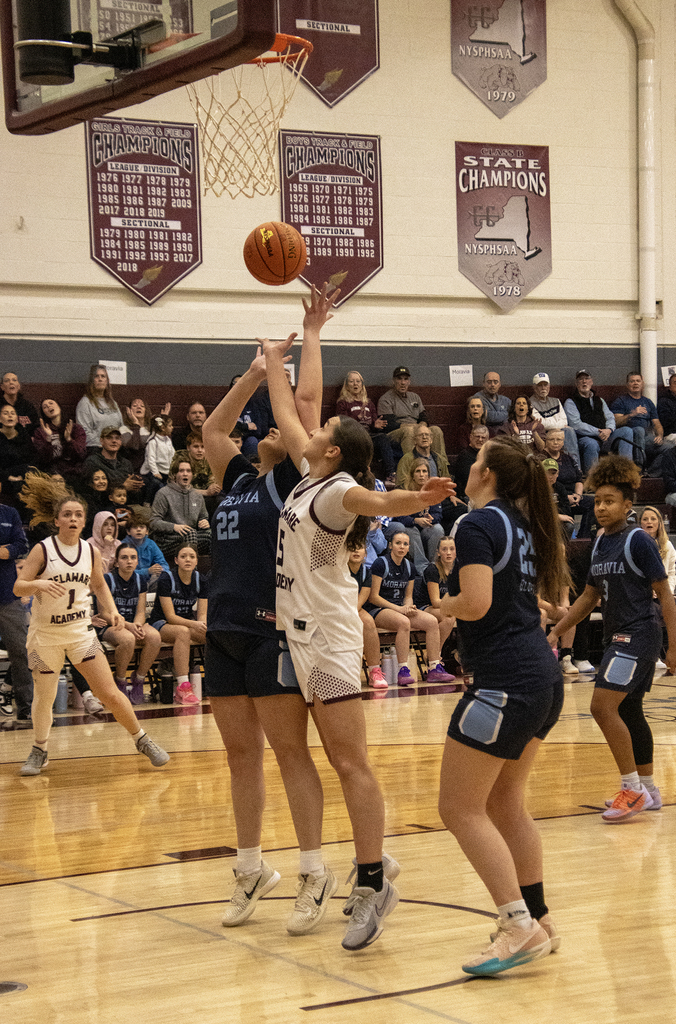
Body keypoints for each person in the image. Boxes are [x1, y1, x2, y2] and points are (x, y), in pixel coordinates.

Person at [262, 328, 455, 950]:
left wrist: (414, 499)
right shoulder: (307, 477)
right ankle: (364, 866)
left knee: (350, 763)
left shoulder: (341, 489)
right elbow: (291, 408)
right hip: (297, 633)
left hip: (331, 638)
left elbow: (378, 498)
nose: (308, 428)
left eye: (322, 431)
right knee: (319, 759)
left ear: (335, 452)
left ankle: (373, 882)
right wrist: (285, 353)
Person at [202, 284, 361, 937]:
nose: (274, 429)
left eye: (285, 430)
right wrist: (252, 368)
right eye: (266, 428)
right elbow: (213, 428)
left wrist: (301, 345)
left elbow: (303, 404)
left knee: (290, 753)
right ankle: (248, 868)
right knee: (241, 755)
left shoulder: (295, 481)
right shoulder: (238, 477)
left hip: (274, 632)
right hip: (224, 631)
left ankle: (312, 869)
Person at [436, 436, 569, 976]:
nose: (468, 467)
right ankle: (539, 920)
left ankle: (517, 925)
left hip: (505, 682)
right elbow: (512, 595)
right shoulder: (519, 521)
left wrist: (437, 604)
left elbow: (475, 602)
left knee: (459, 808)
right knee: (506, 804)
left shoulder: (475, 525)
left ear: (486, 473)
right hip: (542, 677)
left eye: (475, 461)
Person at [548, 455, 676, 823]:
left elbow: (665, 594)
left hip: (638, 634)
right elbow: (589, 598)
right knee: (629, 711)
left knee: (601, 707)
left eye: (610, 501)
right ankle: (649, 789)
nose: (602, 507)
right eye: (598, 501)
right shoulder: (599, 543)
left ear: (628, 506)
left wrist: (675, 646)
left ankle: (632, 790)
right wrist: (557, 631)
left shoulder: (638, 540)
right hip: (618, 637)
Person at [14, 474, 169, 775]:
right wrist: (39, 584)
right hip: (44, 636)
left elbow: (99, 586)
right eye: (67, 515)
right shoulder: (42, 550)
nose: (73, 519)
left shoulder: (90, 551)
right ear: (57, 520)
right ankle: (39, 749)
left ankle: (143, 739)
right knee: (44, 697)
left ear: (84, 521)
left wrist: (112, 611)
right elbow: (18, 587)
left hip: (81, 633)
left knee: (109, 692)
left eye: (78, 515)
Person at [365, 528, 455, 686]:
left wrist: (407, 606)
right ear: (390, 545)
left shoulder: (410, 567)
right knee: (403, 622)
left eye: (405, 544)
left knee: (432, 621)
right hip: (378, 610)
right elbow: (374, 597)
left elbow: (407, 596)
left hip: (400, 609)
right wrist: (399, 609)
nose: (402, 547)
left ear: (408, 547)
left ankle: (434, 668)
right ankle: (403, 670)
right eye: (398, 543)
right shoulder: (381, 563)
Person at [95, 543, 163, 704]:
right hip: (110, 625)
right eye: (124, 558)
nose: (129, 561)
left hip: (133, 623)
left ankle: (139, 679)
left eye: (133, 558)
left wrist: (137, 625)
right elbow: (104, 613)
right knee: (127, 639)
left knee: (154, 637)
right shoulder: (107, 579)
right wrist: (129, 626)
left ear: (137, 561)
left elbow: (141, 611)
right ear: (117, 562)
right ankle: (120, 680)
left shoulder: (140, 580)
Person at [638, 507, 676, 668]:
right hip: (641, 595)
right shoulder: (636, 544)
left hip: (662, 594)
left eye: (653, 519)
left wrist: (667, 592)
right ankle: (654, 655)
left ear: (659, 523)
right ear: (639, 523)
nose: (649, 522)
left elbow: (671, 574)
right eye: (645, 519)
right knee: (654, 612)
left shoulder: (668, 546)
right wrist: (648, 590)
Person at [149, 542, 207, 705]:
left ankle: (212, 681)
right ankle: (183, 687)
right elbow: (170, 616)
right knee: (183, 632)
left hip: (186, 623)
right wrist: (194, 624)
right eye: (183, 556)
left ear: (197, 561)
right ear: (176, 560)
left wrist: (202, 624)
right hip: (161, 623)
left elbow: (202, 613)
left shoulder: (201, 580)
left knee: (213, 634)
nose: (187, 560)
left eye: (192, 556)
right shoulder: (167, 578)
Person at [0, 484, 34, 729]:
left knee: (21, 652)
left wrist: (5, 551)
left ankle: (26, 709)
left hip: (7, 594)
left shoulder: (9, 513)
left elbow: (22, 545)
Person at [564, 370, 634, 472]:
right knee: (591, 444)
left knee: (627, 431)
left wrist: (609, 430)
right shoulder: (570, 402)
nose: (584, 382)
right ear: (576, 383)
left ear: (592, 381)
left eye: (587, 379)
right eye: (581, 379)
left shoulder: (599, 400)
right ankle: (592, 478)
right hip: (585, 439)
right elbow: (576, 425)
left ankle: (626, 471)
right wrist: (598, 432)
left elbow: (610, 417)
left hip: (606, 437)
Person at [377, 366, 446, 459]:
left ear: (409, 382)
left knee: (436, 430)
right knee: (409, 431)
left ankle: (442, 467)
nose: (403, 383)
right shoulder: (386, 399)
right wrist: (413, 427)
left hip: (416, 428)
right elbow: (389, 424)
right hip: (395, 433)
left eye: (405, 379)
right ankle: (413, 467)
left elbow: (424, 417)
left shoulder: (415, 397)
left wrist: (421, 426)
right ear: (393, 381)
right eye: (399, 379)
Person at [336, 370, 395, 480]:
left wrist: (375, 424)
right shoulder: (343, 402)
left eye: (358, 381)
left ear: (362, 385)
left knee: (383, 438)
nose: (355, 384)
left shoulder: (369, 403)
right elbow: (343, 422)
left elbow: (373, 421)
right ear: (346, 385)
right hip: (353, 436)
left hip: (369, 434)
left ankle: (391, 474)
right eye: (352, 381)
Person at [149, 457, 211, 559]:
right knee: (189, 533)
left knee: (210, 535)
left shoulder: (197, 495)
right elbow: (153, 522)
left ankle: (214, 571)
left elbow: (203, 517)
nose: (185, 474)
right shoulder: (164, 493)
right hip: (166, 539)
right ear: (174, 475)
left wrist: (204, 522)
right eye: (181, 471)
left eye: (188, 471)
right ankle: (191, 572)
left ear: (193, 475)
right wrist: (174, 527)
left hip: (191, 536)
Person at [347, 540, 388, 689]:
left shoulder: (366, 572)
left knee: (368, 622)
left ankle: (374, 671)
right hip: (336, 606)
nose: (356, 551)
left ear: (365, 553)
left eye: (359, 548)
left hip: (354, 607)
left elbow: (362, 598)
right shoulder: (338, 570)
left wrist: (351, 613)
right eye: (351, 548)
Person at [392, 459, 445, 568]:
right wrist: (415, 520)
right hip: (411, 526)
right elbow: (399, 515)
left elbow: (438, 514)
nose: (421, 475)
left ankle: (435, 566)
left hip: (427, 527)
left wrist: (432, 518)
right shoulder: (405, 491)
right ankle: (422, 568)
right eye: (418, 471)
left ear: (428, 475)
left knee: (438, 529)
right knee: (411, 531)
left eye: (424, 471)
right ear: (412, 475)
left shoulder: (433, 491)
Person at [412, 535, 457, 649]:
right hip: (425, 607)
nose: (448, 553)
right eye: (444, 549)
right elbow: (435, 602)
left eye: (452, 549)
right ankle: (436, 654)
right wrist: (458, 604)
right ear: (438, 553)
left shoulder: (459, 570)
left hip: (447, 607)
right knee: (449, 618)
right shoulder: (432, 570)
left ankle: (462, 654)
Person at [611, 372, 664, 468]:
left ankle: (651, 472)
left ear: (642, 384)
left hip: (647, 438)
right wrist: (632, 414)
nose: (635, 383)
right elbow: (616, 422)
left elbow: (657, 423)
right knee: (638, 430)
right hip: (628, 439)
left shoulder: (648, 402)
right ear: (627, 385)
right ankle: (639, 466)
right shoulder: (621, 401)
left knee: (669, 448)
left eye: (638, 381)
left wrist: (660, 435)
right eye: (632, 381)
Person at [529, 372, 580, 467]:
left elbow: (564, 421)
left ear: (549, 386)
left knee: (569, 430)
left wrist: (553, 425)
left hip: (559, 431)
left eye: (545, 385)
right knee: (566, 431)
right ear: (534, 387)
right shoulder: (530, 403)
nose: (543, 388)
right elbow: (542, 424)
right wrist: (557, 424)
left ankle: (575, 467)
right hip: (543, 433)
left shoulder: (556, 401)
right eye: (540, 385)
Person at [32, 399, 87, 478]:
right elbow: (42, 459)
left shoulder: (75, 428)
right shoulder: (41, 431)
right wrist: (49, 440)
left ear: (59, 407)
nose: (49, 406)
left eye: (51, 403)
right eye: (45, 407)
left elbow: (81, 454)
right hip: (51, 470)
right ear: (44, 413)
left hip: (73, 470)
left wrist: (69, 439)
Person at [76, 365, 125, 452]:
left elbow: (121, 426)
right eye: (96, 376)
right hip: (96, 449)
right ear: (92, 381)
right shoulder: (85, 403)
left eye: (103, 376)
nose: (100, 379)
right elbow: (84, 432)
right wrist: (104, 444)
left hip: (116, 449)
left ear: (107, 381)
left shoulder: (112, 403)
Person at [81, 426, 143, 495]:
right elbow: (90, 491)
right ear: (101, 441)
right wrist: (123, 487)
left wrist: (136, 485)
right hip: (102, 504)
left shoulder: (126, 463)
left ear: (121, 441)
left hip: (127, 502)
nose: (114, 441)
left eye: (117, 438)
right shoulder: (92, 462)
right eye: (109, 438)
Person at [395, 422, 450, 491]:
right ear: (415, 440)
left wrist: (451, 496)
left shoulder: (439, 459)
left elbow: (446, 482)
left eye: (427, 435)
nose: (424, 437)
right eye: (420, 435)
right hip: (415, 497)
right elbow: (400, 486)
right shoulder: (406, 459)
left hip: (437, 498)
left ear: (431, 440)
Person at [120, 508, 169, 585]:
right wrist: (147, 571)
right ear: (128, 531)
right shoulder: (123, 546)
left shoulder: (151, 544)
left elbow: (163, 563)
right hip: (130, 580)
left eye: (142, 527)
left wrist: (160, 569)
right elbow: (123, 571)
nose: (138, 530)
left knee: (164, 577)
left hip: (149, 581)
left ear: (147, 531)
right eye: (135, 527)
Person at [0, 404, 36, 502]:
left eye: (12, 413)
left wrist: (23, 476)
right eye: (6, 413)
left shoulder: (24, 436)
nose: (10, 416)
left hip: (24, 474)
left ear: (16, 419)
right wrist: (8, 477)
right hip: (4, 476)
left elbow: (32, 458)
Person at [140, 415, 176, 502]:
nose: (172, 427)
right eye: (170, 426)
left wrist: (174, 469)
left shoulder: (168, 440)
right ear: (163, 428)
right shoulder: (153, 441)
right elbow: (150, 459)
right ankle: (147, 502)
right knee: (157, 484)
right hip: (152, 472)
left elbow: (173, 455)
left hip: (166, 471)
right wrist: (155, 472)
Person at [454, 424, 489, 501]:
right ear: (471, 437)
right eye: (477, 436)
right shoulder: (464, 455)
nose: (480, 440)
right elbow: (468, 479)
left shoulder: (488, 455)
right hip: (468, 496)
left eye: (483, 438)